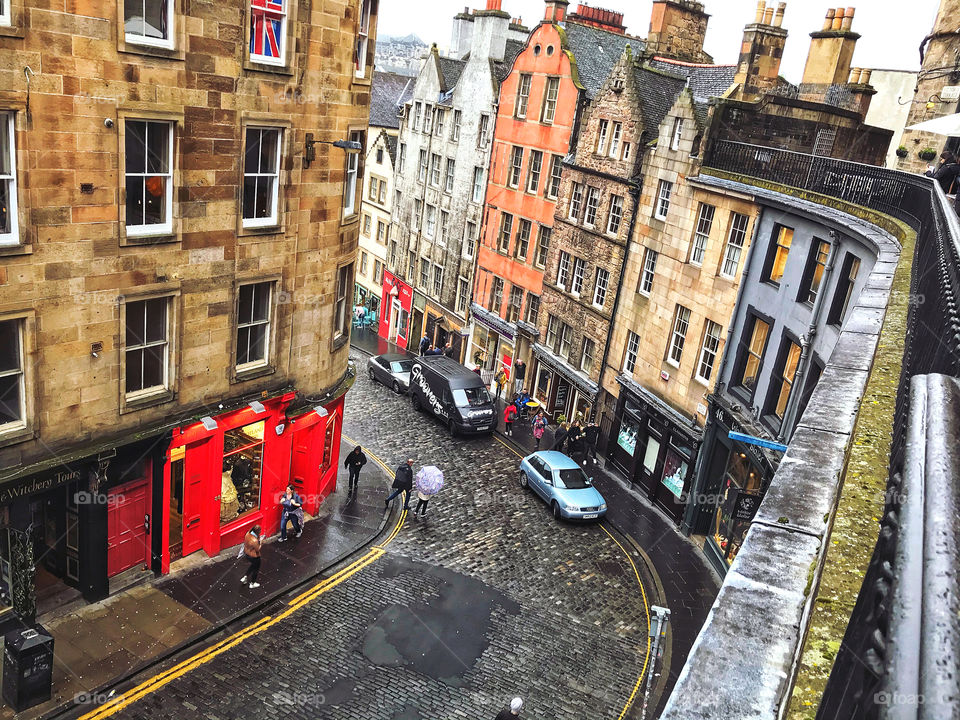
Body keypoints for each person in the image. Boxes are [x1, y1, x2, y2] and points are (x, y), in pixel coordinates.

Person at [240, 524, 262, 589]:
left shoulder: (248, 534)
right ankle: (252, 583)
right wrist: (261, 543)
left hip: (247, 554)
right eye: (260, 530)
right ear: (257, 531)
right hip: (254, 556)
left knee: (252, 566)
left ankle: (245, 576)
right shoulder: (254, 541)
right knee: (256, 569)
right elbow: (257, 550)